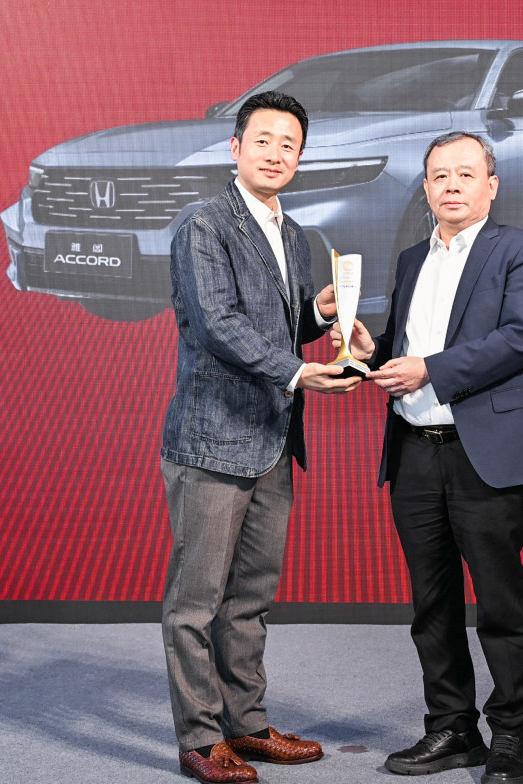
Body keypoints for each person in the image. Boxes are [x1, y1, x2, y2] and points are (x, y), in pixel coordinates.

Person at [336, 130, 523, 784]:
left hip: (483, 454)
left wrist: (429, 368)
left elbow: (519, 340)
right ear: (426, 189)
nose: (451, 185)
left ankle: (510, 736)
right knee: (431, 604)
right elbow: (403, 348)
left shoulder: (521, 250)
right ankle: (453, 728)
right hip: (413, 451)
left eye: (466, 173)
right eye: (439, 175)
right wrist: (368, 352)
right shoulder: (410, 259)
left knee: (499, 603)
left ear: (492, 184)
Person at [161, 90, 363, 784]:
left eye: (289, 145)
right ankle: (198, 738)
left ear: (299, 158)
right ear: (236, 148)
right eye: (264, 140)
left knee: (250, 599)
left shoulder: (293, 232)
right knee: (196, 603)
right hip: (213, 441)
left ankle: (244, 726)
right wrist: (302, 372)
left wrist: (320, 313)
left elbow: (279, 325)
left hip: (273, 440)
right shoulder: (204, 224)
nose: (276, 154)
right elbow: (219, 325)